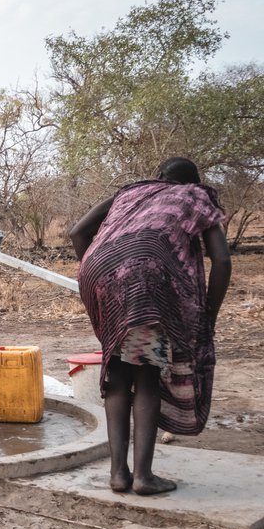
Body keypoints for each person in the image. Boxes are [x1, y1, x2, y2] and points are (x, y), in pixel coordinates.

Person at [70, 157, 231, 495]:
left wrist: (102, 269)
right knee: (145, 374)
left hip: (100, 270)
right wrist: (208, 316)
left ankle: (118, 475)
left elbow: (77, 231)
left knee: (117, 372)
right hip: (146, 278)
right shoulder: (195, 196)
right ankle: (143, 477)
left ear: (158, 177)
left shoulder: (129, 192)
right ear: (193, 182)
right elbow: (222, 259)